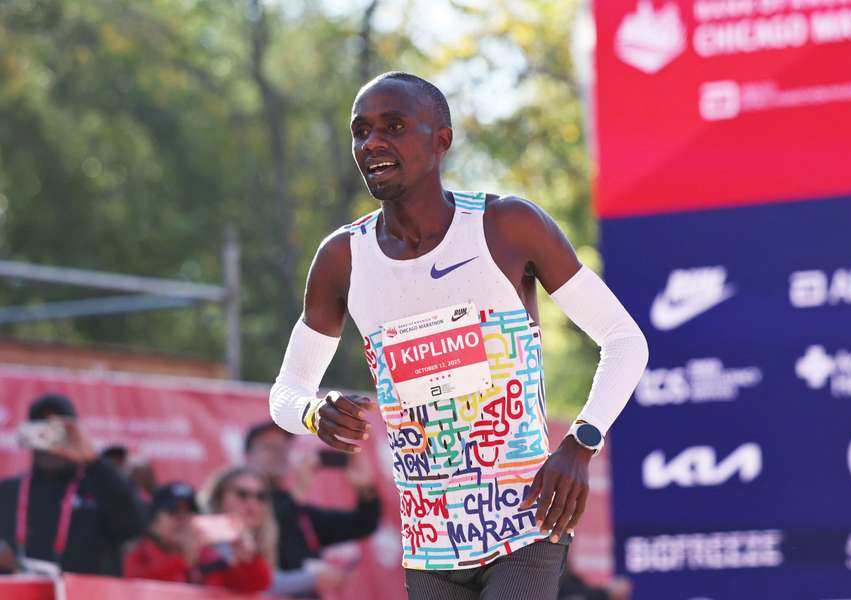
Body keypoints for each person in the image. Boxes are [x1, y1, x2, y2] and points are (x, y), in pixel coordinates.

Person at [269, 72, 649, 600]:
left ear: (440, 139)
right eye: (361, 131)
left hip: (525, 524)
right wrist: (315, 411)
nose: (372, 142)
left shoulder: (506, 226)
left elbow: (624, 339)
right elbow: (284, 394)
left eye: (393, 126)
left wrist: (581, 443)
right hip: (429, 544)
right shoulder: (343, 259)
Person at [0, 393, 142, 576]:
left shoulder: (100, 486)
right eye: (41, 431)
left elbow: (134, 527)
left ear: (74, 433)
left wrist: (93, 461)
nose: (50, 441)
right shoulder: (8, 492)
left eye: (58, 431)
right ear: (27, 435)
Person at [243, 421, 380, 597]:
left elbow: (363, 523)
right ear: (247, 455)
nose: (278, 454)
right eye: (269, 447)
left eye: (283, 447)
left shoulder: (299, 511)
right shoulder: (236, 502)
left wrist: (365, 489)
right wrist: (298, 493)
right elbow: (271, 526)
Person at [124, 477, 271, 593]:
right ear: (154, 521)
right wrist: (183, 561)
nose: (183, 519)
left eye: (190, 512)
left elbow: (257, 585)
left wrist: (248, 559)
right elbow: (135, 587)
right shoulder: (137, 554)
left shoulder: (209, 556)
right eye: (173, 512)